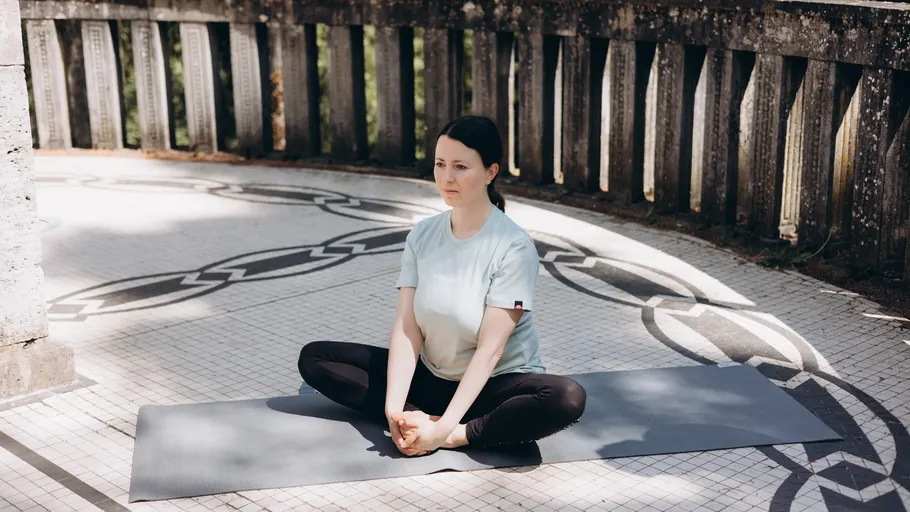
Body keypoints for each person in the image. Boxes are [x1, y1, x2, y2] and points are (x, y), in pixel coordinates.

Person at [298, 115, 586, 456]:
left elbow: (490, 351)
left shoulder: (514, 247)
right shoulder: (423, 234)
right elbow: (407, 327)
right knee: (316, 358)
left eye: (461, 166)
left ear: (490, 172)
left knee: (566, 397)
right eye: (440, 164)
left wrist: (445, 431)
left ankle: (460, 433)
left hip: (492, 386)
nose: (447, 177)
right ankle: (415, 419)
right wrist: (394, 409)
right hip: (433, 380)